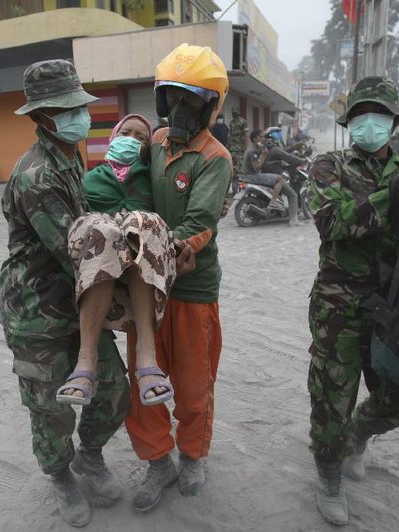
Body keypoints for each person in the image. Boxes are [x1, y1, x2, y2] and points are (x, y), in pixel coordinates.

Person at [0, 59, 130, 528]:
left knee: (114, 392)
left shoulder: (70, 156)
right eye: (68, 109)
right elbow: (75, 251)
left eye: (80, 106)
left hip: (80, 303)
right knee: (51, 409)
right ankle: (60, 475)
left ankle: (89, 457)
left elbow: (89, 223)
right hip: (37, 309)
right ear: (42, 117)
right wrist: (135, 267)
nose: (81, 116)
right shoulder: (37, 176)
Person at [307, 76, 399, 526]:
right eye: (361, 115)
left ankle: (359, 435)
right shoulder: (328, 165)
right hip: (338, 307)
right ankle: (329, 476)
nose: (369, 123)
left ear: (394, 122)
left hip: (394, 306)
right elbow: (332, 221)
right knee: (331, 398)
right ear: (349, 122)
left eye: (378, 115)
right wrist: (395, 196)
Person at [125, 43, 231, 513]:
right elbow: (134, 194)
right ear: (163, 101)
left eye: (193, 99)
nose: (182, 108)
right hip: (145, 287)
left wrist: (174, 248)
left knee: (193, 382)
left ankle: (192, 455)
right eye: (174, 97)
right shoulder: (153, 144)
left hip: (190, 288)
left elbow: (200, 223)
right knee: (143, 380)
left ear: (210, 105)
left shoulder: (215, 157)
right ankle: (157, 461)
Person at [55, 114, 178, 408]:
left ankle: (146, 355)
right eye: (126, 132)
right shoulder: (89, 178)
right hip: (100, 268)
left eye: (140, 138)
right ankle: (86, 362)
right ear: (112, 137)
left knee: (144, 221)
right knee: (102, 229)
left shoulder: (153, 179)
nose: (131, 140)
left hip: (140, 269)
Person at [242, 128, 300, 225]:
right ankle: (273, 203)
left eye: (264, 137)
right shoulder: (254, 151)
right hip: (253, 175)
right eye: (261, 137)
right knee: (281, 179)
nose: (263, 139)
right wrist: (264, 155)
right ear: (255, 139)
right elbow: (256, 167)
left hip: (252, 175)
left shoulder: (257, 148)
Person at [228, 106, 248, 194]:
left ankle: (241, 192)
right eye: (232, 111)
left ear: (238, 112)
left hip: (240, 150)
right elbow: (230, 135)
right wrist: (227, 146)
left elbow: (246, 134)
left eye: (235, 111)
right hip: (232, 150)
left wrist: (247, 146)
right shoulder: (231, 122)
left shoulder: (243, 122)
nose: (233, 113)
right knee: (233, 171)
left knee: (240, 172)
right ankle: (234, 191)